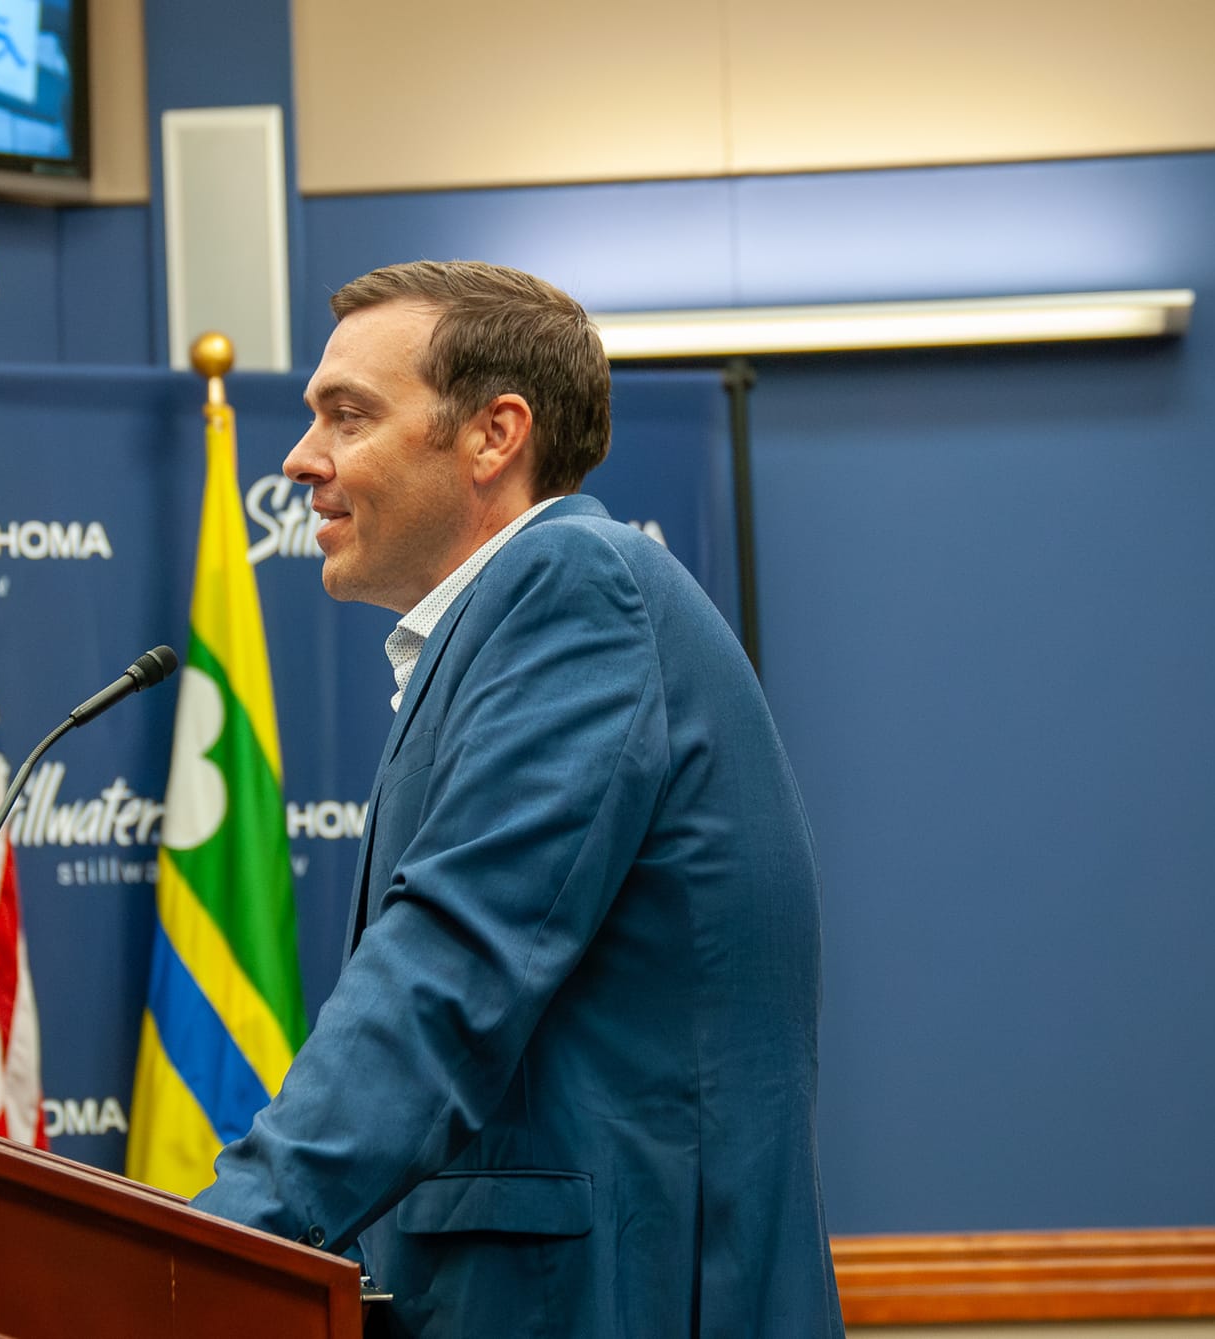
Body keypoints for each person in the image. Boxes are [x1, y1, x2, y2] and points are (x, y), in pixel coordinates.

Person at [190, 261, 843, 1338]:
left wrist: (197, 1252)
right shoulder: (510, 617)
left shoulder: (571, 585)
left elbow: (443, 977)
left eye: (348, 416)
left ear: (494, 435)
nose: (301, 458)